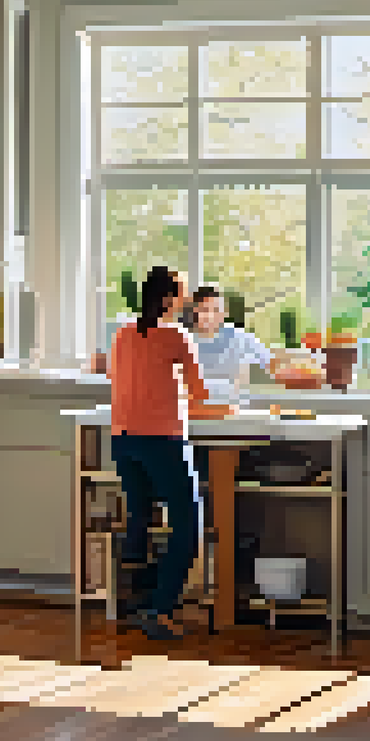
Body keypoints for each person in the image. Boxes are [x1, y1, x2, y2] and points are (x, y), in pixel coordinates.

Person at [108, 266, 232, 641]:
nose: (187, 301)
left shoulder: (124, 333)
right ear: (167, 299)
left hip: (123, 439)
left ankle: (130, 605)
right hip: (161, 440)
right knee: (188, 527)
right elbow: (200, 393)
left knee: (140, 520)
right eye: (181, 294)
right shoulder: (176, 335)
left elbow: (118, 379)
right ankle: (159, 611)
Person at [184, 287, 282, 405]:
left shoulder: (241, 338)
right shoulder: (185, 341)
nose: (210, 316)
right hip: (196, 409)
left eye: (215, 310)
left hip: (237, 409)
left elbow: (271, 365)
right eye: (204, 310)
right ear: (195, 311)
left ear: (225, 312)